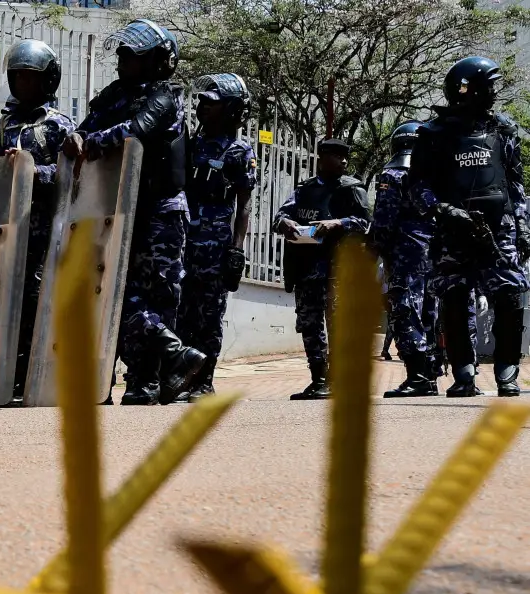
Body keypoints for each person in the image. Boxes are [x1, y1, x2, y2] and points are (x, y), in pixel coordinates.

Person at [63, 19, 203, 405]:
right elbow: (80, 132)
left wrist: (91, 140)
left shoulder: (164, 96)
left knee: (158, 296)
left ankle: (153, 378)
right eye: (123, 54)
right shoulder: (110, 97)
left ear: (160, 61)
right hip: (119, 210)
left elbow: (136, 131)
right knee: (119, 295)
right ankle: (174, 357)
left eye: (135, 55)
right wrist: (76, 136)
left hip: (161, 211)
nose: (125, 60)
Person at [0, 39, 76, 402]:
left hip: (43, 228)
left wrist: (29, 170)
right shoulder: (4, 124)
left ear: (47, 81)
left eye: (30, 78)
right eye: (17, 77)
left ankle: (32, 375)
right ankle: (1, 374)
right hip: (4, 231)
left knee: (36, 301)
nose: (22, 84)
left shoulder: (58, 125)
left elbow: (68, 173)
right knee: (1, 299)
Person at [409, 56, 528, 398]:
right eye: (487, 86)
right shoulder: (432, 135)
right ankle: (463, 375)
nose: (493, 93)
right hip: (452, 233)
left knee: (509, 295)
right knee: (455, 299)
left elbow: (515, 186)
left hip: (498, 231)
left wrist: (523, 229)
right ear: (467, 90)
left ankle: (507, 371)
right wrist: (445, 211)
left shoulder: (504, 129)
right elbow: (417, 187)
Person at [175, 73, 257, 400]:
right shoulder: (190, 143)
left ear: (232, 110)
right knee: (183, 313)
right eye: (200, 103)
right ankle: (181, 379)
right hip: (184, 244)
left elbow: (245, 202)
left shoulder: (239, 151)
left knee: (209, 317)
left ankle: (204, 382)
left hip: (216, 247)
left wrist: (237, 249)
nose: (201, 109)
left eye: (211, 104)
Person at [274, 138, 371, 400]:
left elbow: (366, 224)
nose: (335, 162)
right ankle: (319, 379)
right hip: (306, 269)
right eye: (328, 157)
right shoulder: (304, 189)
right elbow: (280, 216)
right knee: (310, 326)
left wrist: (338, 223)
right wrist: (285, 224)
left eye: (338, 158)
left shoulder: (353, 190)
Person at [372, 122, 440, 397]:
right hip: (432, 252)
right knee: (429, 311)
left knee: (405, 311)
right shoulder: (433, 175)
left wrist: (375, 248)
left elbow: (384, 221)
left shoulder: (393, 174)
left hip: (404, 254)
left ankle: (418, 377)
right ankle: (431, 375)